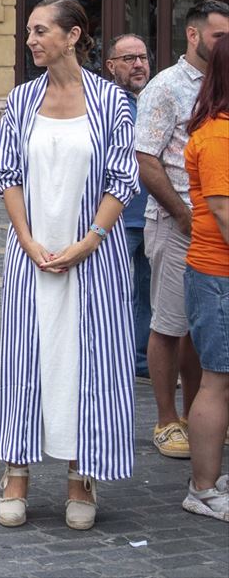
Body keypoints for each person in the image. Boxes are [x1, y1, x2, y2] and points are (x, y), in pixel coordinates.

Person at [0, 0, 137, 531]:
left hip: (92, 257)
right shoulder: (22, 99)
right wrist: (27, 241)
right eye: (29, 31)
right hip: (31, 253)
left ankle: (81, 475)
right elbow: (6, 175)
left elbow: (123, 179)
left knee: (88, 361)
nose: (31, 39)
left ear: (74, 36)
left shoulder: (111, 102)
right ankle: (16, 475)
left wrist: (88, 241)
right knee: (27, 359)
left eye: (41, 30)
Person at [136, 0, 229, 458]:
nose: (226, 43)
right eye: (219, 35)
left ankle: (199, 413)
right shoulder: (166, 87)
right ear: (193, 36)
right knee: (169, 324)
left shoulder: (221, 83)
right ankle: (167, 419)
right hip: (178, 222)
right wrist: (182, 214)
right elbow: (145, 159)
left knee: (202, 327)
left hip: (215, 228)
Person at [181, 33, 229, 522]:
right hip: (218, 276)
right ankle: (204, 489)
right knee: (216, 381)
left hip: (219, 275)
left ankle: (211, 477)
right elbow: (221, 210)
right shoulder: (217, 136)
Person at [105, 34, 153, 378]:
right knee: (112, 294)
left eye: (142, 57)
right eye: (128, 59)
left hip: (155, 215)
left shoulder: (156, 99)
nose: (138, 64)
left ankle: (141, 360)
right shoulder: (105, 103)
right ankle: (109, 359)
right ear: (111, 66)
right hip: (117, 217)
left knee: (149, 295)